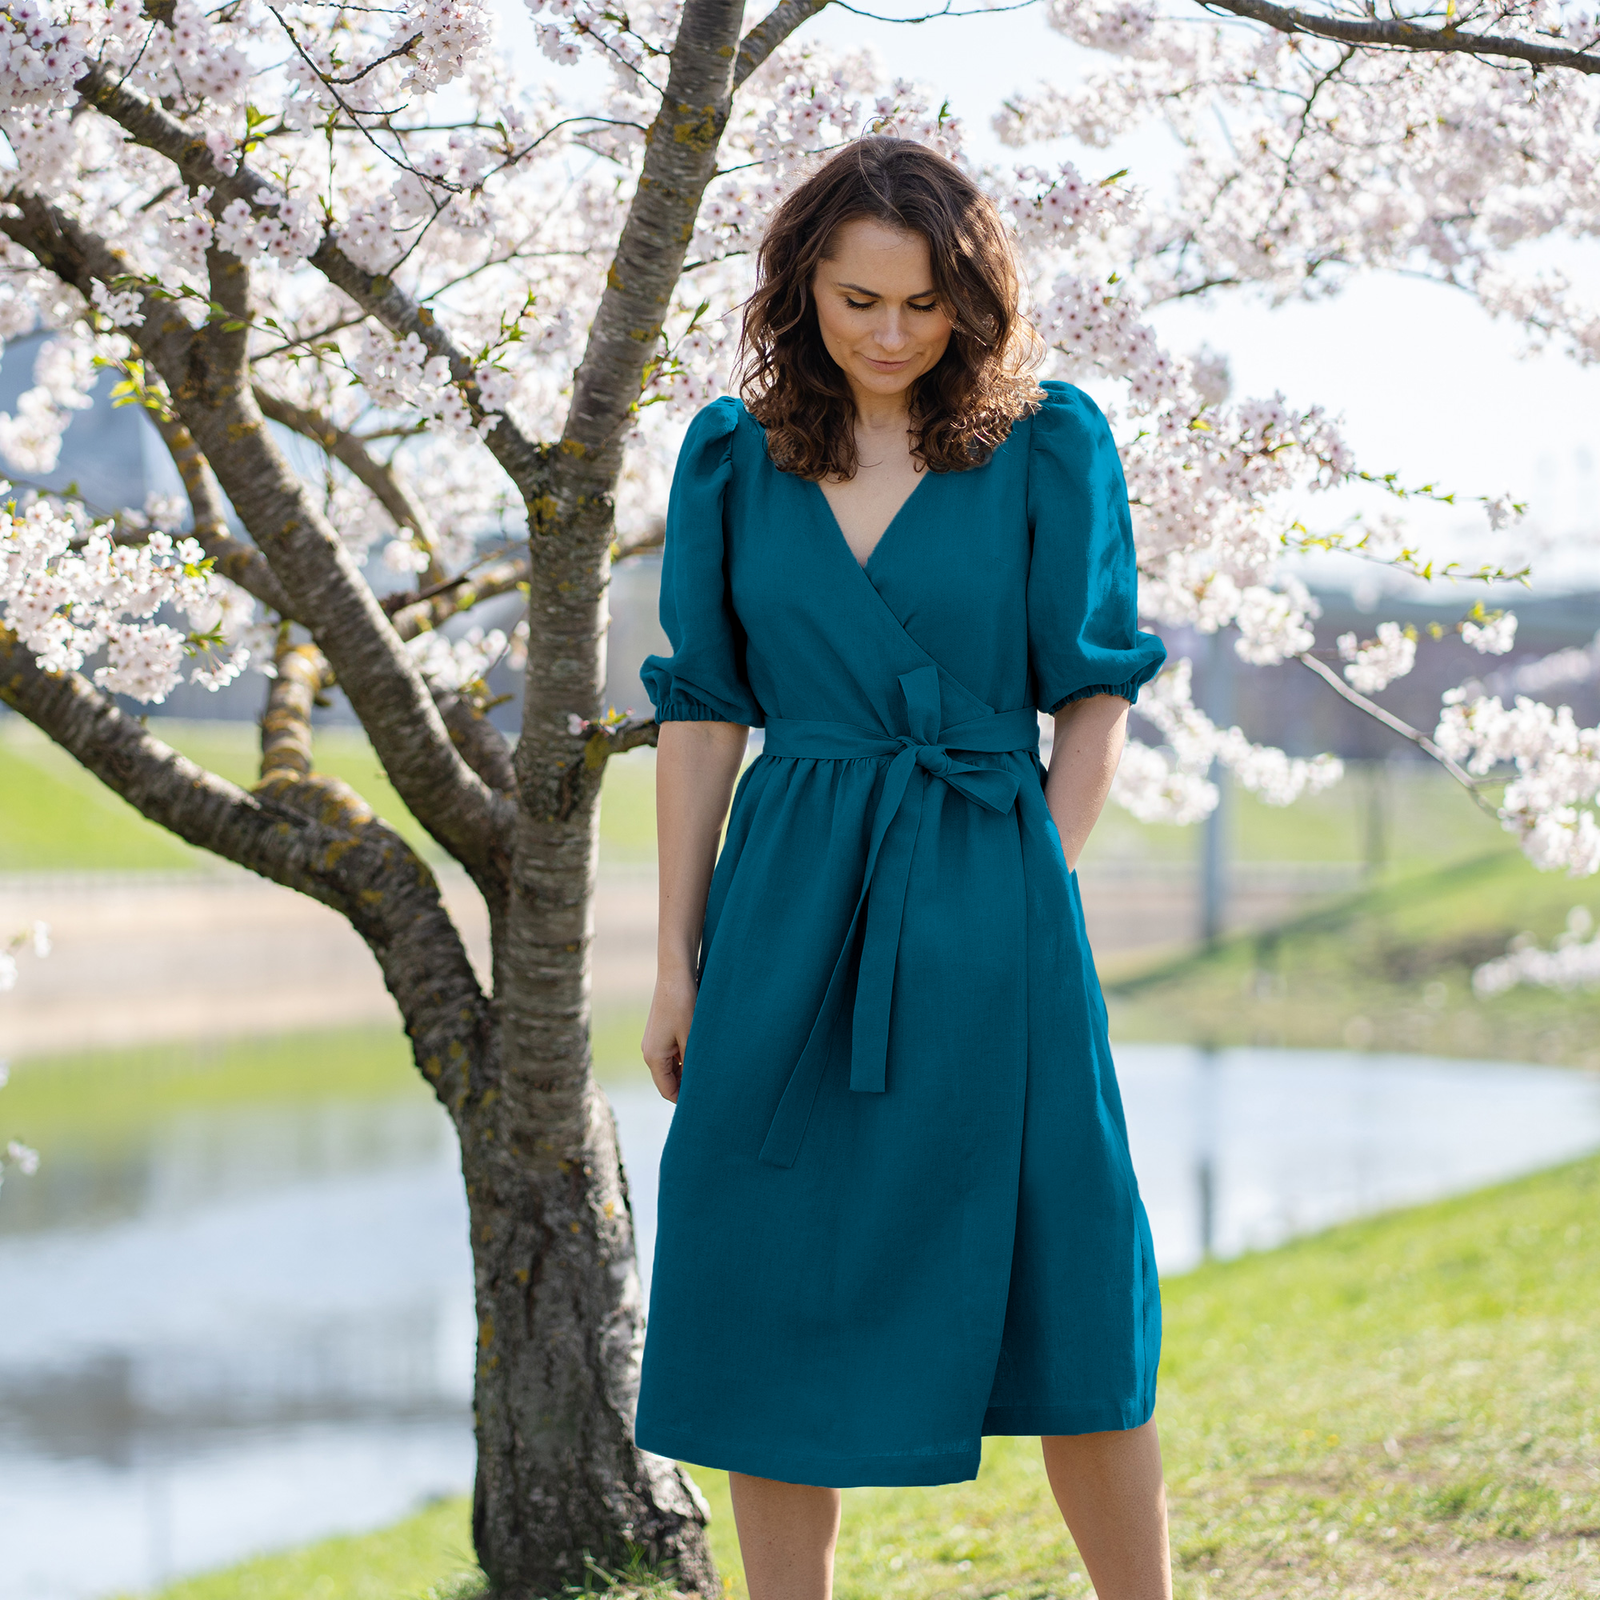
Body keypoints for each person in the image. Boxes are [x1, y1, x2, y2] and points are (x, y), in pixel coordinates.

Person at [636, 134, 1173, 1600]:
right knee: (760, 1269)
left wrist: (1036, 878)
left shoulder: (1048, 442)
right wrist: (676, 959)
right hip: (786, 908)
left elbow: (1095, 691)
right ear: (801, 287)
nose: (889, 335)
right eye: (858, 300)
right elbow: (703, 715)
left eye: (924, 305)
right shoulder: (732, 457)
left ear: (971, 300)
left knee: (1071, 1280)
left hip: (995, 887)